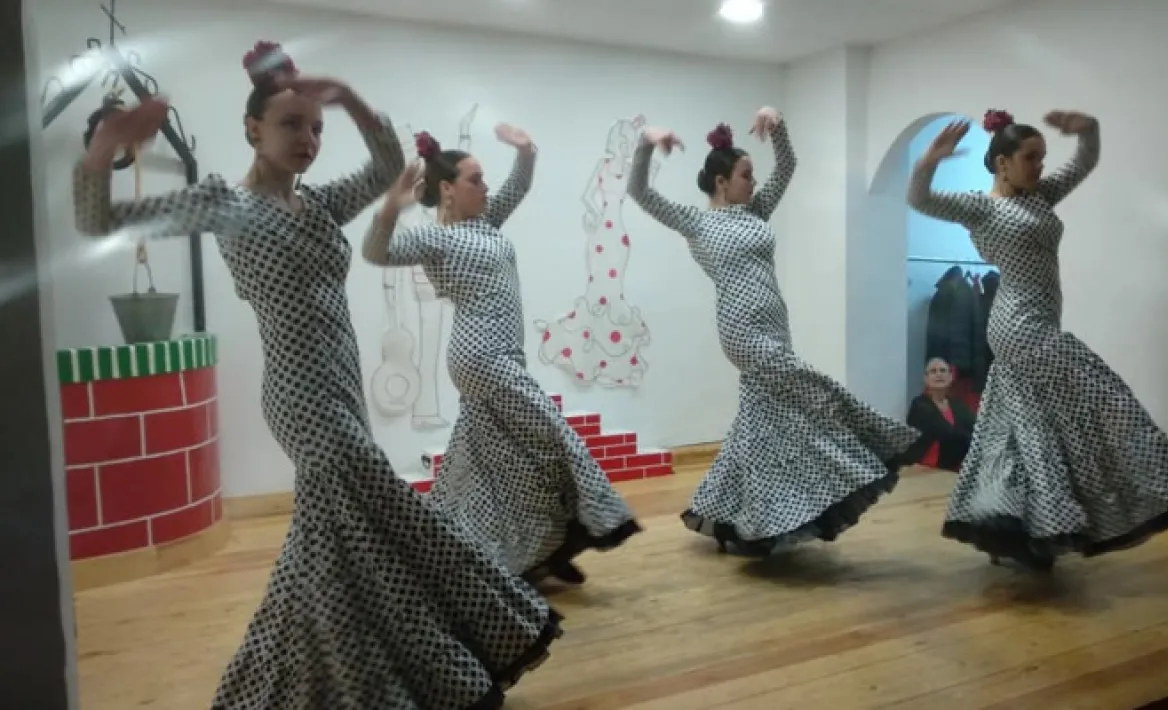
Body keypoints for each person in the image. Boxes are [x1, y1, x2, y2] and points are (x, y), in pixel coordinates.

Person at [72, 41, 562, 708]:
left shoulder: (322, 205)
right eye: (290, 124)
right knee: (401, 520)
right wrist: (104, 150)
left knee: (334, 549)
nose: (307, 138)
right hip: (301, 399)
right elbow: (98, 219)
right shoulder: (224, 203)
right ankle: (474, 641)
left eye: (315, 127)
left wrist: (354, 102)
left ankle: (290, 686)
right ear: (252, 129)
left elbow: (390, 167)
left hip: (344, 390)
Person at [907, 108, 1168, 571]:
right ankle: (1141, 488)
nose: (1040, 166)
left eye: (1043, 157)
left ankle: (1021, 532)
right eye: (1031, 157)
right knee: (1103, 395)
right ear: (1002, 163)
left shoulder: (1041, 197)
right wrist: (928, 161)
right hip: (1019, 324)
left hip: (1041, 323)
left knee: (1027, 434)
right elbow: (921, 200)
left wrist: (1089, 130)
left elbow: (1085, 163)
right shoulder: (982, 206)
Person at [627, 108, 920, 557]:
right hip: (742, 330)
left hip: (776, 325)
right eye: (746, 175)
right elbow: (640, 191)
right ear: (722, 181)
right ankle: (877, 436)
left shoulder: (757, 210)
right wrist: (647, 143)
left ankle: (730, 517)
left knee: (760, 421)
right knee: (811, 387)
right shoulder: (696, 221)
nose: (754, 182)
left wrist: (777, 127)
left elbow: (788, 167)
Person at [361, 126, 641, 586]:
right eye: (475, 179)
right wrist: (392, 204)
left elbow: (519, 185)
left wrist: (527, 150)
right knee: (555, 439)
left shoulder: (486, 223)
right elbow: (377, 251)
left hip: (503, 356)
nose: (486, 187)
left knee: (490, 466)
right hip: (482, 357)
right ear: (447, 189)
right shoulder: (436, 239)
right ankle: (587, 526)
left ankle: (511, 554)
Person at [905, 357, 976, 471]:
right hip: (920, 468)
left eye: (943, 371)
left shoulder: (958, 406)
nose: (939, 374)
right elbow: (946, 432)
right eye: (933, 371)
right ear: (926, 379)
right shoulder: (919, 405)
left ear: (951, 377)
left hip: (949, 469)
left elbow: (976, 428)